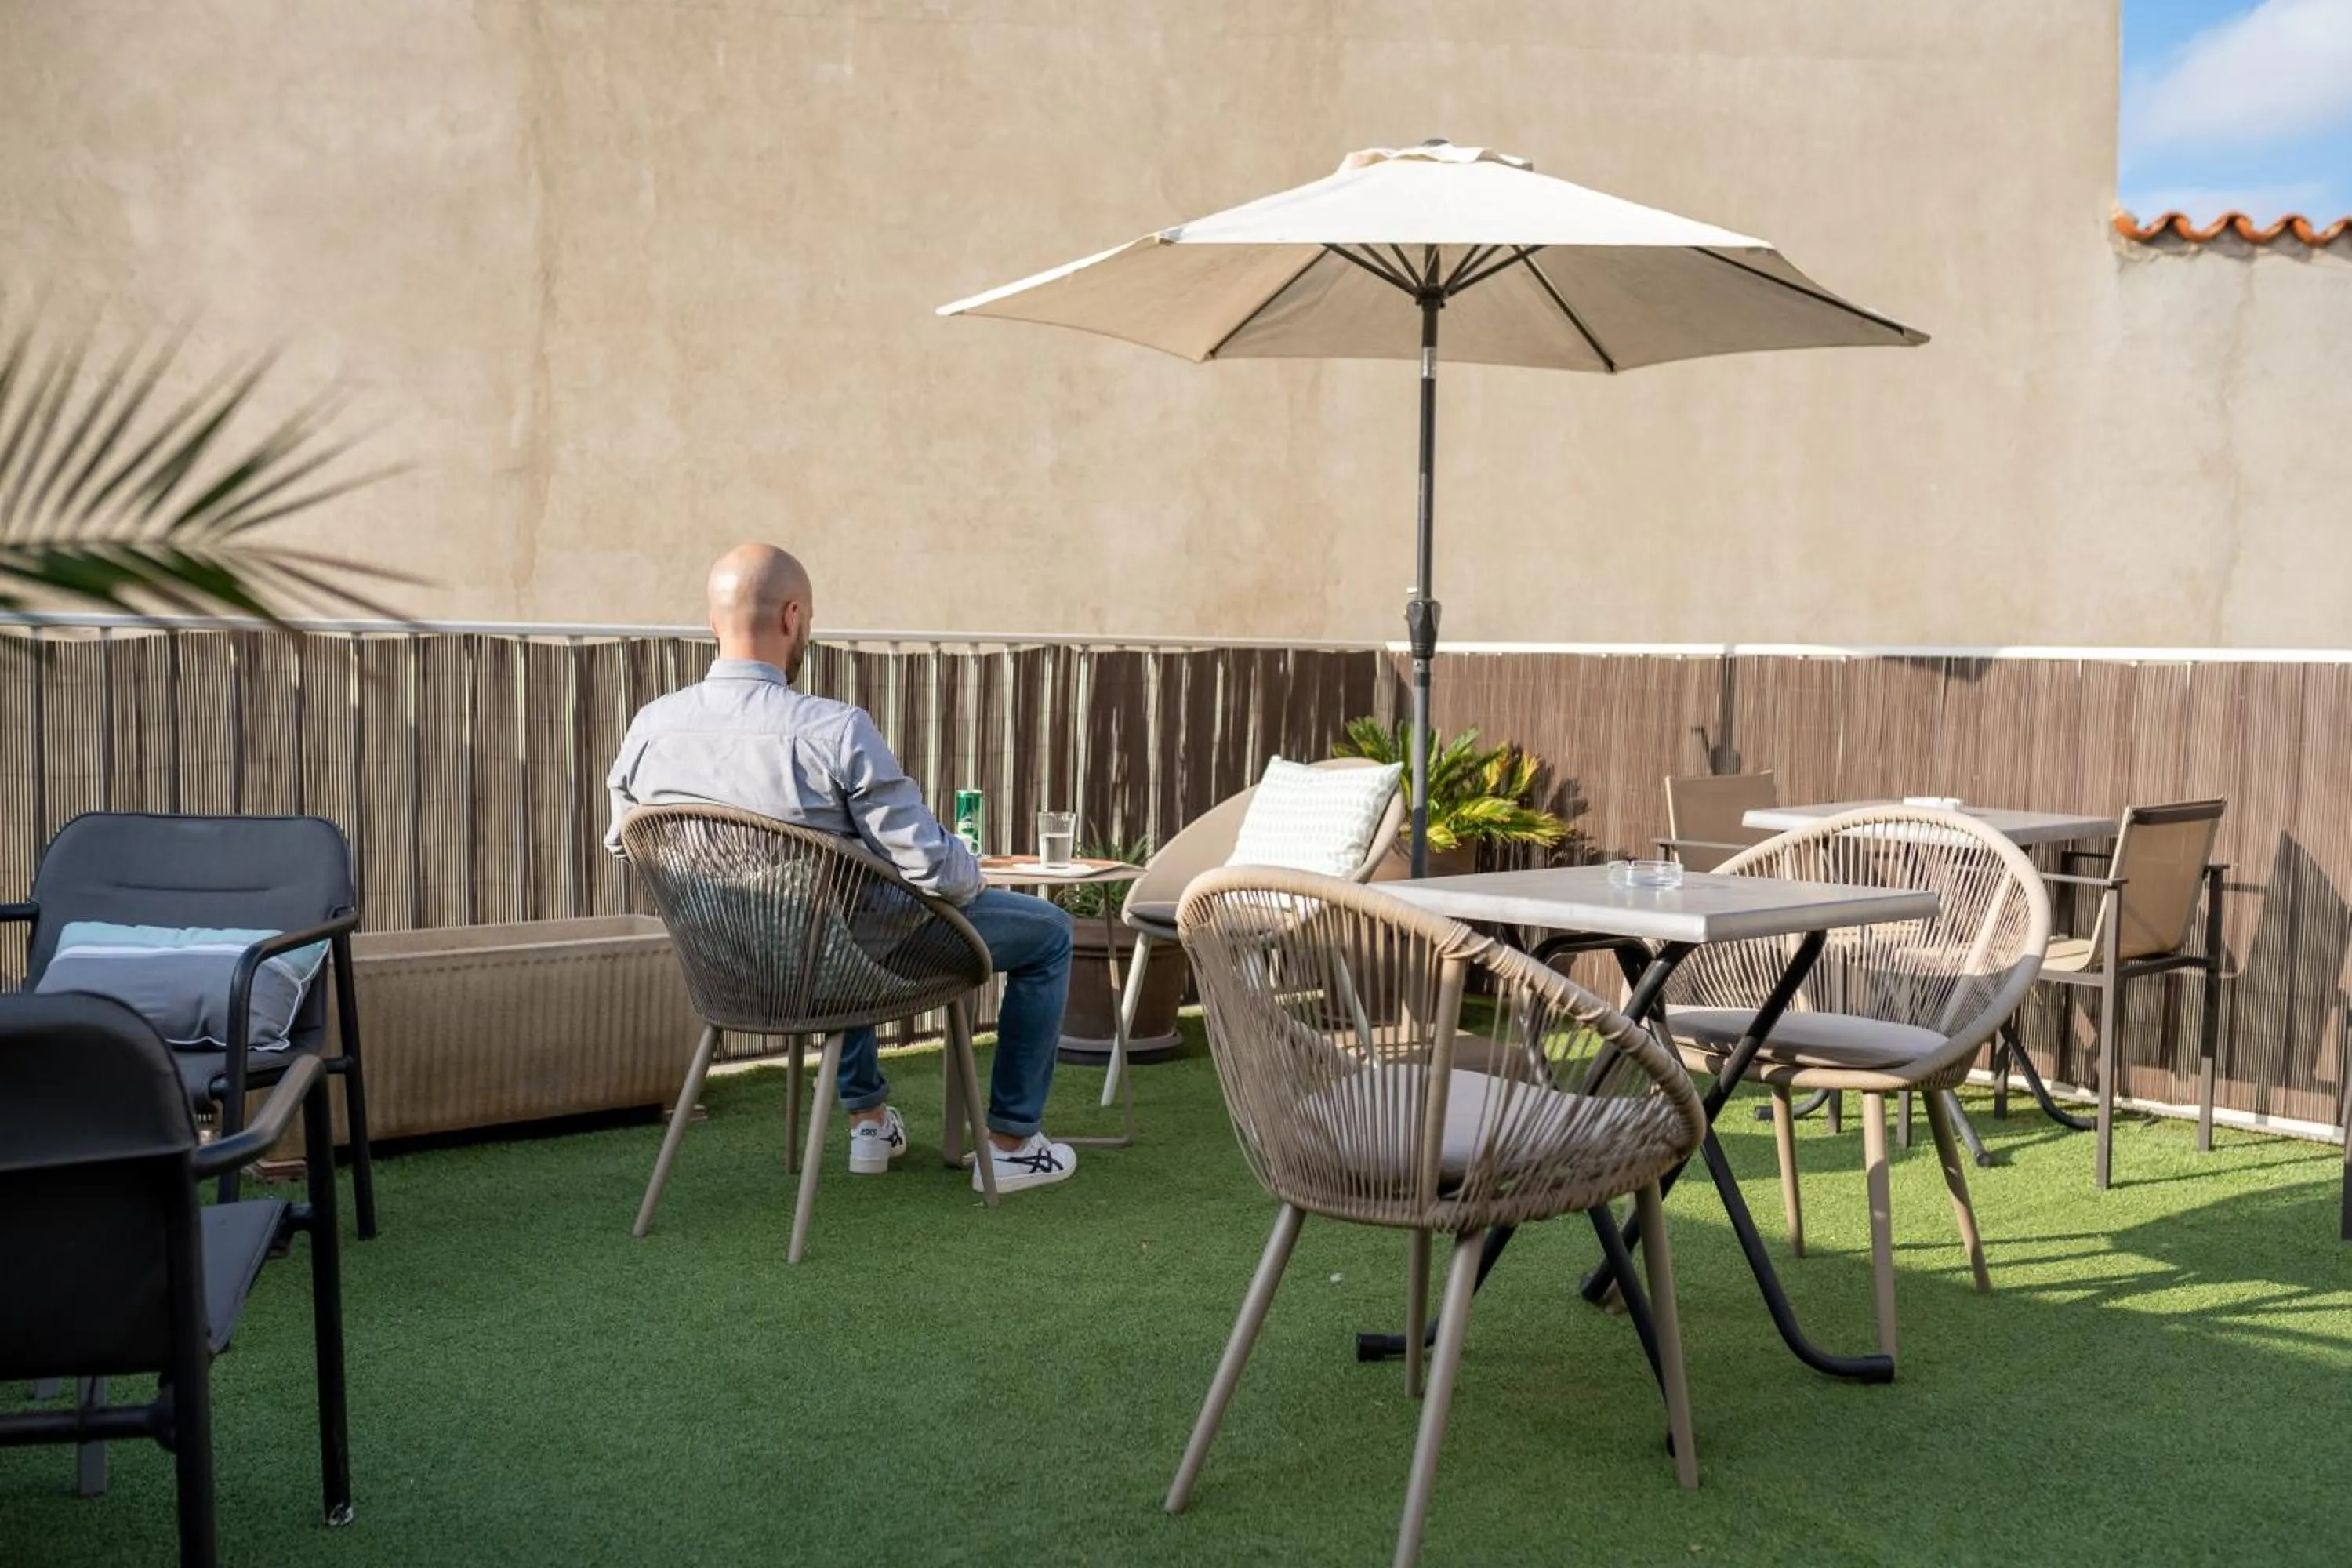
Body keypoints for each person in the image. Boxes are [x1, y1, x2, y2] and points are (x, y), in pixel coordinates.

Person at [605, 544, 1077, 1193]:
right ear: (794, 617)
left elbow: (625, 842)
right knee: (1048, 932)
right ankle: (1014, 1144)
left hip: (729, 968)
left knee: (829, 913)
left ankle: (870, 1121)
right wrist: (973, 871)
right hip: (839, 962)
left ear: (713, 622)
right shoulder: (834, 730)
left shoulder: (650, 728)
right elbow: (933, 869)